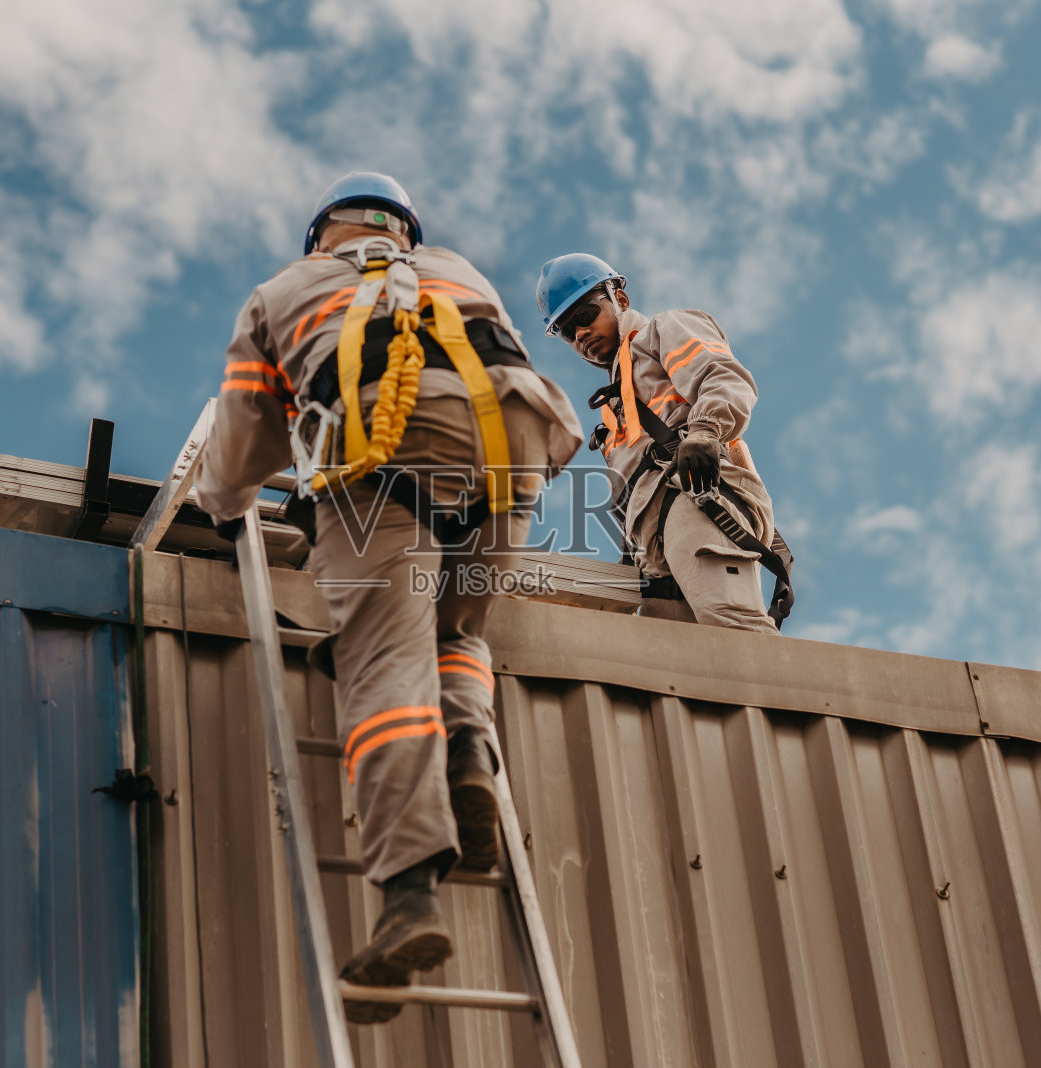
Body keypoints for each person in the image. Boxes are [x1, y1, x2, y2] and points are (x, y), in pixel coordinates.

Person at [193, 173, 582, 1023]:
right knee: (457, 625)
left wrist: (223, 511)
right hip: (512, 453)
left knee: (383, 670)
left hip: (385, 458)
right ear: (403, 230)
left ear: (318, 235)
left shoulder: (282, 293)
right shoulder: (458, 270)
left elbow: (243, 439)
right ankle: (470, 757)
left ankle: (409, 896)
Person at [536, 253, 791, 632]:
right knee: (672, 664)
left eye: (585, 316)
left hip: (697, 499)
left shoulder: (661, 332)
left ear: (619, 300)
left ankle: (774, 693)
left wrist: (705, 430)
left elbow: (723, 376)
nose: (580, 335)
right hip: (654, 545)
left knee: (732, 629)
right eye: (567, 332)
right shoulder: (614, 408)